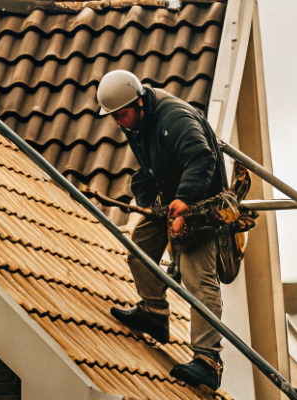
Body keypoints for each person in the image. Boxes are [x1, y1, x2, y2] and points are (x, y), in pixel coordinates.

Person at [97, 70, 226, 390]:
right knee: (140, 249)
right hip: (171, 197)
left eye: (123, 115)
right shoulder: (137, 120)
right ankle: (154, 313)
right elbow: (151, 168)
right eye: (114, 117)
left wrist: (185, 200)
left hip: (201, 203)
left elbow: (201, 157)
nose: (120, 123)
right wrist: (149, 201)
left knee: (199, 278)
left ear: (139, 102)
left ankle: (208, 361)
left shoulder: (175, 119)